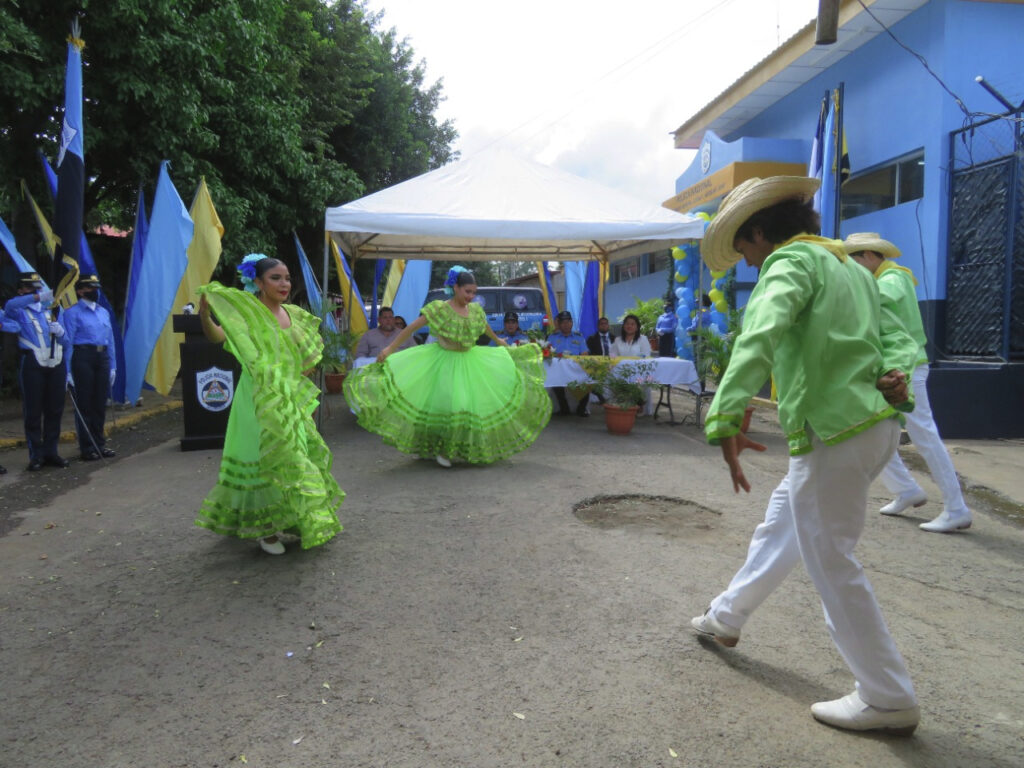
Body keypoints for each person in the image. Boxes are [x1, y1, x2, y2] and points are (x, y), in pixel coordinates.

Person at [690, 176, 922, 735]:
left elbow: (759, 334)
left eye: (744, 249)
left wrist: (725, 415)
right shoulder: (853, 267)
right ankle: (725, 616)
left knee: (831, 559)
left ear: (760, 233)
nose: (747, 263)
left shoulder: (790, 262)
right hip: (870, 425)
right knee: (783, 526)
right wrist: (898, 376)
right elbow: (897, 337)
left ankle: (887, 696)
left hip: (832, 431)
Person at [196, 254, 344, 555]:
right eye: (275, 278)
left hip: (288, 399)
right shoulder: (247, 316)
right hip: (255, 399)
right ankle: (265, 529)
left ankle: (295, 519)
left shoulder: (294, 314)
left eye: (287, 278)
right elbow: (217, 336)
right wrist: (205, 315)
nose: (284, 284)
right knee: (261, 457)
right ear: (258, 283)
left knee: (293, 457)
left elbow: (306, 360)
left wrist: (298, 390)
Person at [344, 266, 551, 466]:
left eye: (474, 292)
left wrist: (498, 341)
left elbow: (485, 327)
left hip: (470, 361)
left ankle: (457, 449)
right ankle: (437, 449)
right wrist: (390, 348)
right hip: (443, 362)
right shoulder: (440, 309)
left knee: (466, 406)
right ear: (456, 288)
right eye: (467, 291)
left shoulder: (475, 311)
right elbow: (411, 328)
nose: (471, 296)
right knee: (444, 406)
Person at [844, 232, 973, 533]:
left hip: (906, 369)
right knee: (874, 430)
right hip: (895, 369)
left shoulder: (894, 277)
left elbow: (872, 299)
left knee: (922, 435)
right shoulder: (887, 277)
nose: (852, 268)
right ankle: (906, 490)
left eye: (854, 260)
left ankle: (956, 508)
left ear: (870, 255)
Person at [3, 272, 69, 471]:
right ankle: (36, 455)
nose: (35, 291)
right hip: (33, 363)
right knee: (33, 411)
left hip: (55, 362)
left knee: (54, 410)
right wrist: (37, 297)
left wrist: (61, 332)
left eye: (38, 288)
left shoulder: (51, 309)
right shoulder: (19, 311)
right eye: (30, 288)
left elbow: (67, 341)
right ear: (21, 290)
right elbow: (9, 306)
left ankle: (51, 452)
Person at [61, 275, 116, 461]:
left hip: (102, 356)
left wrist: (113, 366)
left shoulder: (103, 311)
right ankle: (87, 447)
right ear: (80, 291)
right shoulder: (72, 313)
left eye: (96, 288)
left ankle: (100, 444)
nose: (95, 291)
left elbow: (110, 340)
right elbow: (68, 342)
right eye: (91, 288)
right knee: (85, 403)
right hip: (83, 356)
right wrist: (67, 370)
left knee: (100, 403)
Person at [548, 310, 589, 416]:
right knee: (554, 380)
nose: (566, 325)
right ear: (559, 324)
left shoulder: (579, 337)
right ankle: (564, 407)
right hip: (558, 369)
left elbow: (584, 354)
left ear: (572, 323)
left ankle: (581, 408)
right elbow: (547, 353)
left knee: (587, 380)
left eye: (568, 322)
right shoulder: (552, 337)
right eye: (563, 322)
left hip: (575, 368)